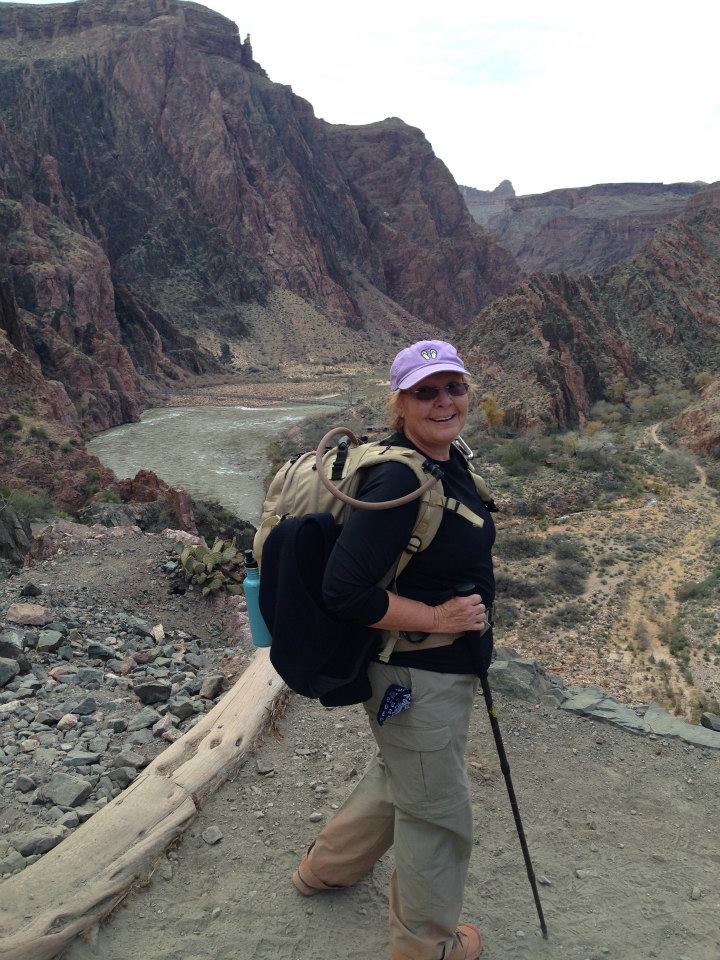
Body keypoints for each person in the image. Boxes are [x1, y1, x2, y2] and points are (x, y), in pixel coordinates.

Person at [291, 340, 496, 960]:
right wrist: (439, 615)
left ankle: (324, 869)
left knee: (402, 774)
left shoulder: (444, 459)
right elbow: (344, 591)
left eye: (453, 387)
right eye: (425, 392)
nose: (444, 401)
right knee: (437, 812)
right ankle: (424, 947)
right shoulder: (397, 478)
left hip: (433, 672)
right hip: (415, 672)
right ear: (399, 403)